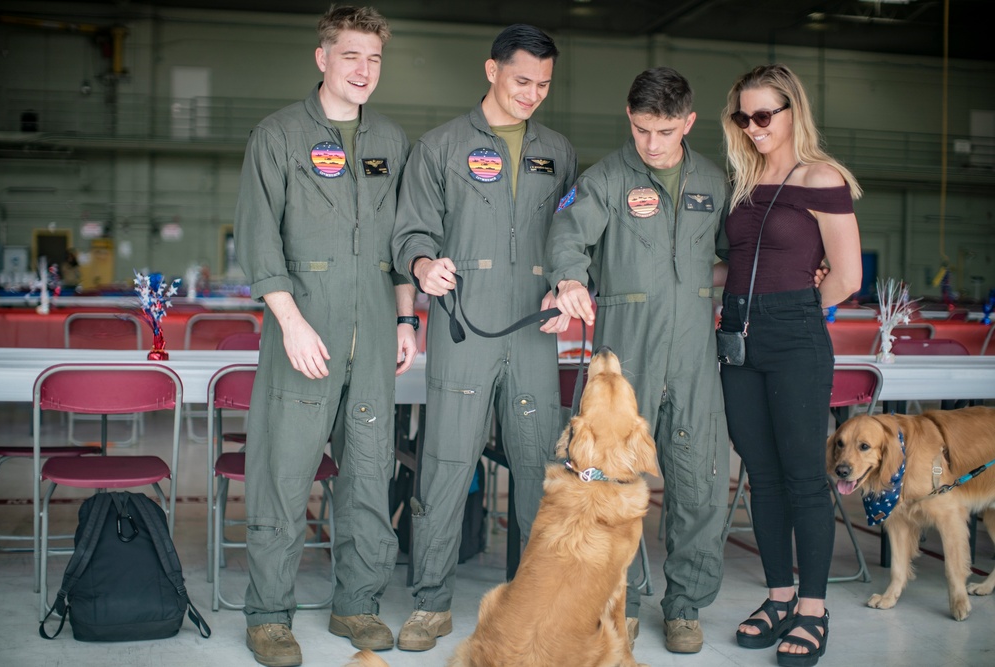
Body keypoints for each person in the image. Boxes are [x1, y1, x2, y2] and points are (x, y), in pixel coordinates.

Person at [233, 7, 417, 666]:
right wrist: (289, 321)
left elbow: (402, 243)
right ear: (322, 58)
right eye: (351, 56)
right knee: (284, 477)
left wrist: (405, 317)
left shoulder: (392, 141)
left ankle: (357, 603)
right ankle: (268, 614)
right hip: (303, 329)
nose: (363, 70)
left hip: (373, 327)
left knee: (368, 474)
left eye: (373, 58)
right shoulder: (278, 135)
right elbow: (258, 238)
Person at [390, 23, 577, 653]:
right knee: (445, 463)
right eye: (522, 80)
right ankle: (430, 604)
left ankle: (530, 602)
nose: (532, 94)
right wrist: (423, 266)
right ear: (492, 70)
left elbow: (571, 238)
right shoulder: (440, 147)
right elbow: (411, 231)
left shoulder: (559, 150)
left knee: (536, 468)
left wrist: (567, 285)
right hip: (464, 325)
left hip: (533, 330)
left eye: (544, 85)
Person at [546, 66, 730, 655]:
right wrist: (571, 279)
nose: (653, 143)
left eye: (667, 130)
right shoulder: (603, 180)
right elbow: (567, 235)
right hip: (626, 356)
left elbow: (741, 248)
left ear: (689, 123)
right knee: (606, 483)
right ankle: (604, 602)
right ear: (630, 118)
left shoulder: (713, 180)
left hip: (697, 354)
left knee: (699, 478)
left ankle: (685, 606)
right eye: (644, 128)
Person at [717, 63, 862, 667]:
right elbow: (736, 266)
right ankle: (777, 597)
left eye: (763, 116)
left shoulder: (820, 177)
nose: (752, 128)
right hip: (736, 340)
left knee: (804, 475)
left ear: (791, 112)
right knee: (762, 473)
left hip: (794, 336)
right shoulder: (745, 183)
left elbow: (847, 277)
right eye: (742, 117)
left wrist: (796, 311)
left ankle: (812, 609)